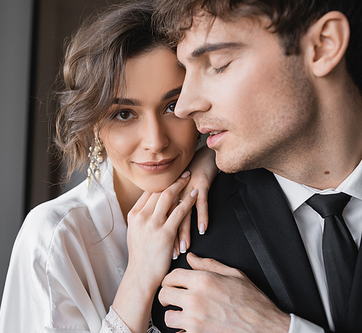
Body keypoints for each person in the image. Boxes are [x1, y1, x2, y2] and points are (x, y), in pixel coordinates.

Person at [0, 2, 219, 332]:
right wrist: (140, 276)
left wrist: (212, 160)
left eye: (172, 106)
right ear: (93, 125)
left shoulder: (229, 196)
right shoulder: (54, 238)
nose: (155, 141)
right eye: (125, 114)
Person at [151, 0, 362, 332]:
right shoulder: (190, 251)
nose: (185, 106)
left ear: (323, 46)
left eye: (218, 64)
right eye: (184, 72)